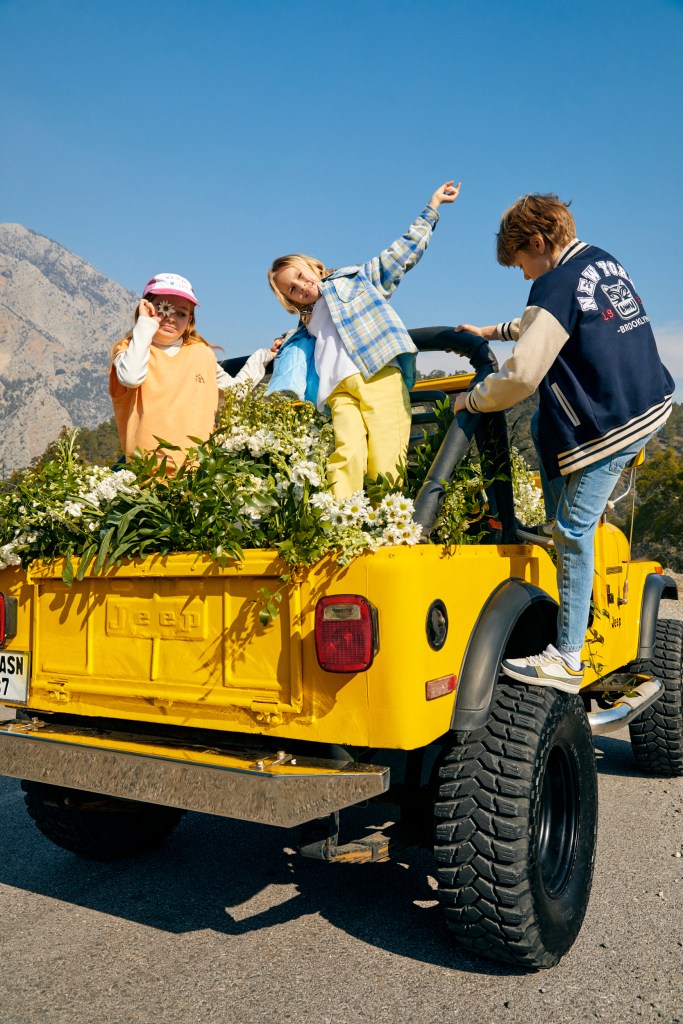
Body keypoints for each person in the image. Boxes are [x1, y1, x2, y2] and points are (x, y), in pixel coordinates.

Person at [453, 193, 674, 693]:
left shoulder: (553, 283)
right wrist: (490, 331)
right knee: (542, 427)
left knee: (574, 530)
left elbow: (522, 376)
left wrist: (473, 400)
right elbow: (549, 325)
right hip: (647, 398)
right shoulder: (599, 261)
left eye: (521, 264)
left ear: (537, 241)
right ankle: (569, 559)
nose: (524, 276)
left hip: (613, 422)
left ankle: (568, 657)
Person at [267, 181, 460, 498]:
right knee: (346, 455)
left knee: (386, 454)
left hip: (376, 372)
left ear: (314, 266)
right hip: (337, 389)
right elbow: (303, 347)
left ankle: (385, 518)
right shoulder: (305, 323)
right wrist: (282, 344)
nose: (301, 287)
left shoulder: (355, 280)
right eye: (292, 289)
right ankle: (340, 517)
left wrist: (433, 207)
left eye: (301, 276)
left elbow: (401, 254)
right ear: (289, 300)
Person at [110, 273, 281, 471]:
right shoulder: (129, 349)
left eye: (181, 313)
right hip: (146, 472)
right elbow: (131, 377)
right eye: (162, 308)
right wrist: (145, 326)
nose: (171, 317)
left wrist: (264, 356)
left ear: (190, 319)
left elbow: (234, 392)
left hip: (196, 472)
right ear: (146, 308)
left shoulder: (201, 353)